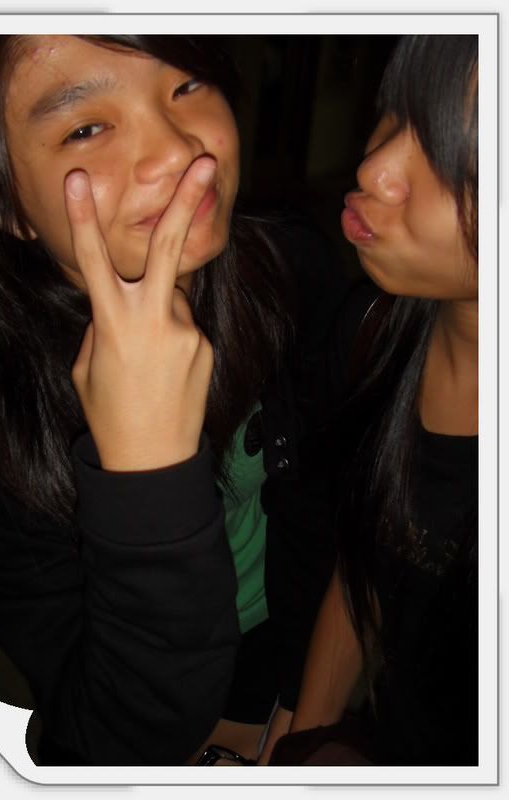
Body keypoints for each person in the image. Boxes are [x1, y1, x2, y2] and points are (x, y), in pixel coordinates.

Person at [0, 34, 342, 766]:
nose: (178, 151)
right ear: (5, 204)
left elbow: (323, 507)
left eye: (187, 85)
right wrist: (147, 472)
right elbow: (112, 732)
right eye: (86, 128)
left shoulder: (293, 268)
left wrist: (299, 707)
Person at [264, 34, 478, 766]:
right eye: (398, 109)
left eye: (462, 162)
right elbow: (366, 564)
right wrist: (300, 742)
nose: (374, 168)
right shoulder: (372, 332)